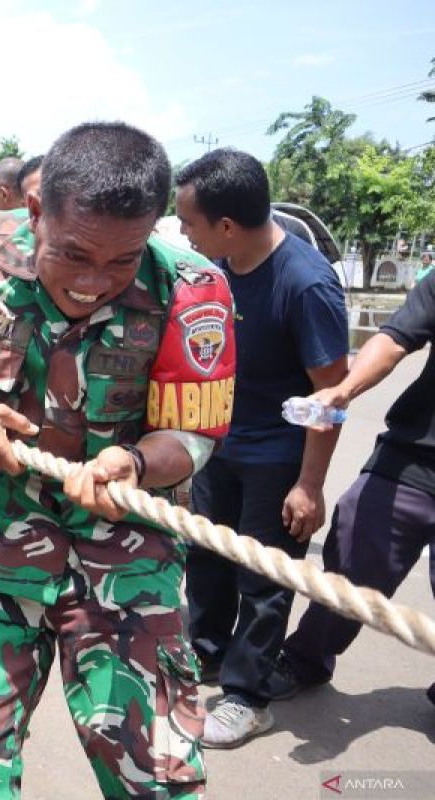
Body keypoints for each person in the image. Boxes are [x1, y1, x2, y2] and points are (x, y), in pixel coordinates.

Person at [0, 122, 238, 799]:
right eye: (75, 254)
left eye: (122, 261)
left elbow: (193, 434)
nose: (94, 283)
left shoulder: (192, 285)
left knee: (157, 781)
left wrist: (138, 464)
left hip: (130, 566)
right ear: (34, 212)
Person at [175, 148, 348, 748]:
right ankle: (210, 656)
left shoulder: (306, 284)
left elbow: (333, 397)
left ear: (226, 226)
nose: (181, 232)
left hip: (277, 458)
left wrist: (310, 485)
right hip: (218, 447)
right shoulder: (214, 270)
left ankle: (249, 697)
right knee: (205, 559)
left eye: (188, 222)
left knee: (263, 578)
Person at [270, 273, 435, 704]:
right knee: (353, 549)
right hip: (415, 455)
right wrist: (343, 390)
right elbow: (396, 338)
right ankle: (306, 658)